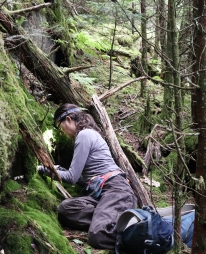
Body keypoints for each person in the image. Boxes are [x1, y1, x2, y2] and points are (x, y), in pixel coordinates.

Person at [38, 103, 137, 249]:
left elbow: (72, 177)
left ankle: (134, 235)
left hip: (116, 190)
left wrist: (46, 170)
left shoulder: (84, 134)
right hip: (102, 193)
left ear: (69, 119)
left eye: (60, 126)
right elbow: (82, 179)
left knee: (98, 235)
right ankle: (109, 219)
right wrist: (57, 169)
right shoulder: (87, 134)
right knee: (65, 210)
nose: (61, 132)